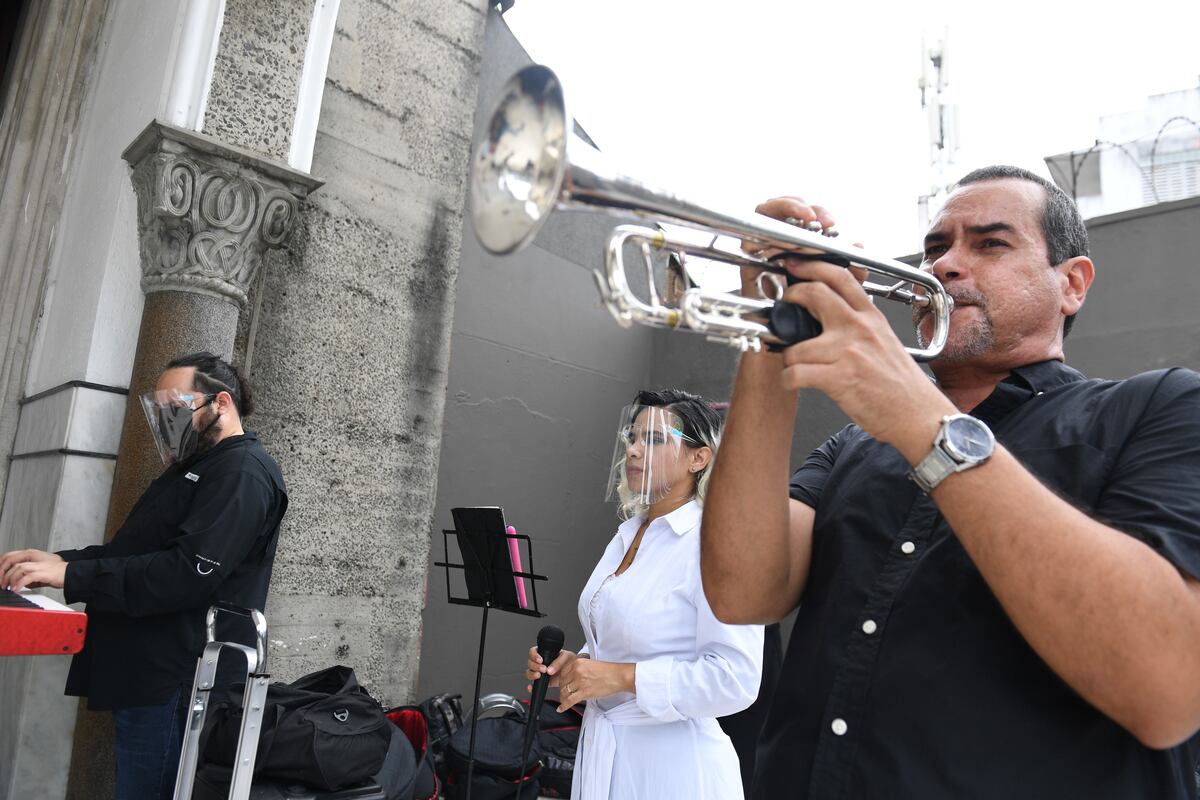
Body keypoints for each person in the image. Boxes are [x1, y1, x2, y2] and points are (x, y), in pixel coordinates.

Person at [700, 165, 1200, 799]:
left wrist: (922, 422)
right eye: (936, 247)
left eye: (990, 244)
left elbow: (1166, 688)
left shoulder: (1157, 408)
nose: (945, 266)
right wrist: (772, 332)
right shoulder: (854, 445)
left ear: (1071, 284)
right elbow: (742, 593)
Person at [1, 351, 288, 800]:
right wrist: (57, 561)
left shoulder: (243, 472)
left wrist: (73, 575)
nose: (169, 422)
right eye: (162, 411)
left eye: (177, 408)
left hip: (178, 678)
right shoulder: (194, 467)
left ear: (221, 402)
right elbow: (134, 553)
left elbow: (185, 573)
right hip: (146, 671)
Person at [526, 389, 764, 799]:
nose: (634, 450)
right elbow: (628, 637)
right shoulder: (629, 532)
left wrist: (620, 677)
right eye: (632, 437)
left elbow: (735, 679)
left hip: (673, 771)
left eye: (654, 439)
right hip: (604, 756)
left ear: (698, 458)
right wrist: (577, 665)